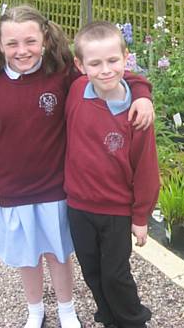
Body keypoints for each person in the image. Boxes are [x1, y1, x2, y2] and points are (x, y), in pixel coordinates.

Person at [0, 5, 154, 328]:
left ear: (44, 37)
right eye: (12, 44)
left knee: (57, 253)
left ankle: (67, 310)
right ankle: (35, 310)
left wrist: (142, 93)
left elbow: (108, 74)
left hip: (57, 188)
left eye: (30, 41)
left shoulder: (61, 73)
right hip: (14, 189)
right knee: (28, 257)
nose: (22, 51)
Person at [65, 21, 160, 328]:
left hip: (116, 210)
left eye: (112, 61)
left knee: (116, 274)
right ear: (80, 66)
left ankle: (134, 321)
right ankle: (110, 318)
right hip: (79, 206)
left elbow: (146, 167)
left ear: (126, 57)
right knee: (91, 271)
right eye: (95, 63)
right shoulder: (77, 90)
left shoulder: (136, 113)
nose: (105, 70)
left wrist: (141, 215)